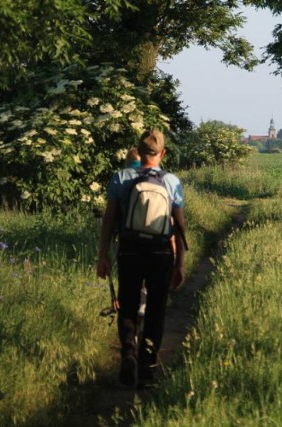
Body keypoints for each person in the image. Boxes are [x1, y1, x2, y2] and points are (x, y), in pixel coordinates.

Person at [96, 130, 187, 388]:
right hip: (160, 252)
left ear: (138, 150)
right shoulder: (172, 182)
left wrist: (103, 255)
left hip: (129, 249)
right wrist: (179, 263)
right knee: (156, 308)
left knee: (128, 303)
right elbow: (179, 226)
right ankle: (147, 369)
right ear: (162, 154)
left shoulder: (121, 178)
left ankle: (128, 352)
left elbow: (109, 221)